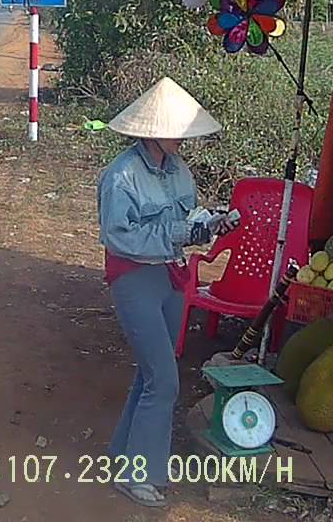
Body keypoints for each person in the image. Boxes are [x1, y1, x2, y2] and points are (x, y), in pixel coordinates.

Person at [97, 76, 240, 508]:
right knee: (163, 381)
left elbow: (186, 221)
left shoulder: (179, 170)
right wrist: (180, 232)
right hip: (135, 278)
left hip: (171, 275)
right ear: (153, 132)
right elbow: (119, 237)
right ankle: (138, 476)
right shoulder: (121, 176)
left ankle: (123, 457)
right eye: (176, 130)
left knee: (151, 375)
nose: (182, 138)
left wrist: (212, 224)